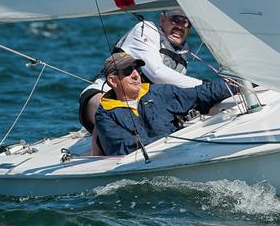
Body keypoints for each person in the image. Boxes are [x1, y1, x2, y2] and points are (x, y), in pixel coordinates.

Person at [78, 8, 201, 134]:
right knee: (119, 121)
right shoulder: (145, 29)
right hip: (103, 94)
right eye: (176, 20)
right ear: (162, 19)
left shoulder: (181, 54)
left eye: (187, 23)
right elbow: (157, 73)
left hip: (141, 108)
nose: (181, 26)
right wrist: (205, 86)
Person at [94, 52, 233, 156]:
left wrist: (238, 86)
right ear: (113, 81)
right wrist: (170, 140)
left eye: (137, 69)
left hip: (178, 152)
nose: (136, 75)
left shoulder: (159, 92)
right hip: (143, 168)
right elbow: (124, 147)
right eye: (128, 71)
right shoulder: (104, 115)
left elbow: (200, 94)